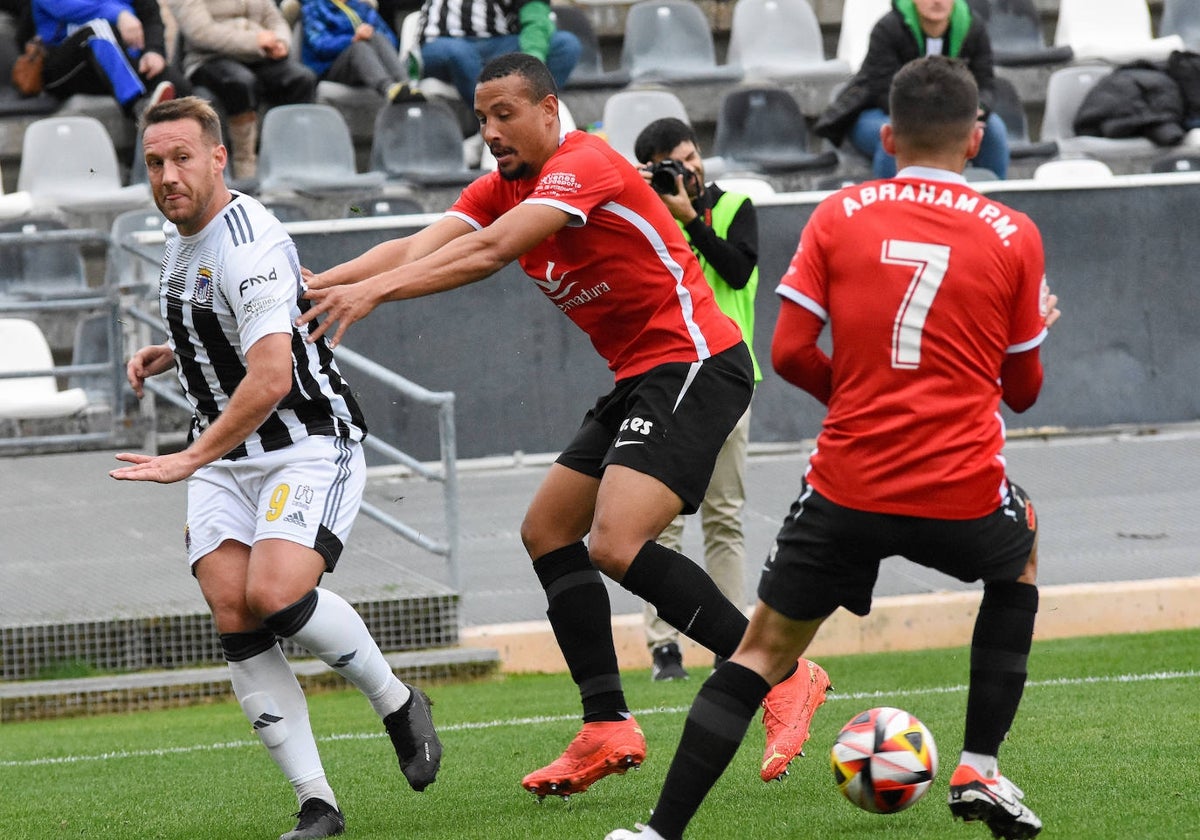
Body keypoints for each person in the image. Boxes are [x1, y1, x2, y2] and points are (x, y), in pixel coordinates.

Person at [296, 52, 829, 799]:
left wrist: (377, 294)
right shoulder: (499, 186)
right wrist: (302, 290)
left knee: (616, 542)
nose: (490, 131)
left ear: (550, 110)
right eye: (481, 118)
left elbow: (486, 252)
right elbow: (420, 246)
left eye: (504, 114)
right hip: (641, 377)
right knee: (548, 529)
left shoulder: (587, 165)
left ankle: (782, 672)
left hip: (697, 362)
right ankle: (607, 724)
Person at [606, 55, 1060, 840]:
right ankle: (980, 768)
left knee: (760, 652)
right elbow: (1023, 392)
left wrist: (858, 398)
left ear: (886, 136)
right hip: (960, 484)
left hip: (848, 484)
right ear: (977, 139)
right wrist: (1032, 331)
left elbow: (787, 354)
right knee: (1017, 557)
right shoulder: (1015, 234)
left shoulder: (839, 214)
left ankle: (656, 834)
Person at [112, 95, 442, 840]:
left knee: (276, 596)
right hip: (228, 455)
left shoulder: (247, 239)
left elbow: (267, 379)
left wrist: (189, 457)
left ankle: (397, 702)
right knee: (232, 609)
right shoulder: (180, 234)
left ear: (219, 157)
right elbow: (226, 318)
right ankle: (317, 803)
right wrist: (178, 352)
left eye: (182, 158)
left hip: (303, 440)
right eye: (155, 162)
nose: (168, 175)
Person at [631, 117, 761, 682]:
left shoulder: (736, 207)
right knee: (661, 523)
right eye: (675, 163)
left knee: (724, 517)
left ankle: (730, 643)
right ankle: (664, 646)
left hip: (730, 381)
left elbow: (737, 269)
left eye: (691, 156)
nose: (690, 169)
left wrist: (690, 220)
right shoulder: (646, 217)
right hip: (667, 381)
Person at [815, 0, 1010, 179]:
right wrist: (929, 117)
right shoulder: (888, 28)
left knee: (994, 130)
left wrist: (974, 110)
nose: (937, 1)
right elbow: (880, 89)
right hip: (880, 112)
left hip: (949, 116)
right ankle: (892, 207)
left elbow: (986, 86)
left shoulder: (973, 28)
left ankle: (992, 203)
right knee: (895, 134)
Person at [169, 0, 318, 179]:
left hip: (259, 57)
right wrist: (256, 42)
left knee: (301, 79)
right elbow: (201, 33)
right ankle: (245, 167)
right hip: (209, 59)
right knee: (241, 83)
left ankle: (290, 166)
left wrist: (281, 42)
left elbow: (274, 19)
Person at [32, 0, 188, 117]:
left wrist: (153, 50)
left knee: (178, 88)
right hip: (67, 69)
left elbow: (150, 15)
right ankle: (139, 104)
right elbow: (68, 7)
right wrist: (120, 14)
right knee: (98, 29)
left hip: (125, 62)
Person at [414, 0, 580, 110]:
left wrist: (532, 60)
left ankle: (531, 110)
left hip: (497, 44)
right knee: (460, 53)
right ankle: (497, 121)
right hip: (440, 43)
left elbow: (536, 18)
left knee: (565, 45)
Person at [298, 0, 424, 103]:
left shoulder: (362, 7)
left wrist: (370, 34)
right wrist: (352, 39)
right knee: (359, 47)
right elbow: (320, 44)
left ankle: (407, 85)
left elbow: (391, 41)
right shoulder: (314, 7)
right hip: (330, 67)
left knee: (378, 37)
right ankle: (389, 88)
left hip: (368, 65)